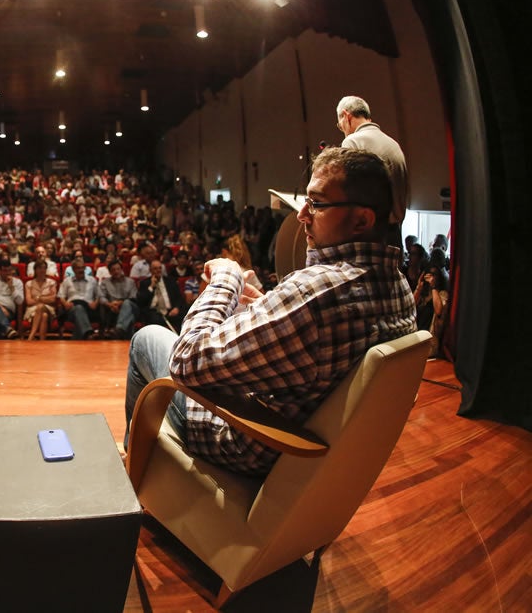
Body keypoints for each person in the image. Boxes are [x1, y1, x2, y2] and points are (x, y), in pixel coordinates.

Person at [123, 147, 416, 476]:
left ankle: (135, 468)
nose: (302, 214)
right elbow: (315, 346)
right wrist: (267, 307)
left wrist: (226, 278)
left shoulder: (315, 295)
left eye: (317, 203)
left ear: (362, 219)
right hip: (306, 449)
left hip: (247, 440)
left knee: (146, 339)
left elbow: (186, 361)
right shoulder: (399, 287)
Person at [336, 95, 408, 247]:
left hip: (371, 236)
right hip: (395, 235)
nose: (342, 130)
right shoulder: (393, 144)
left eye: (340, 126)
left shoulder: (353, 141)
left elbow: (348, 193)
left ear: (346, 116)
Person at [135, 259, 185, 332]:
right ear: (150, 270)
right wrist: (151, 286)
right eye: (155, 268)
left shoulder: (170, 281)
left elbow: (179, 297)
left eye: (160, 268)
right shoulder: (144, 283)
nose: (158, 270)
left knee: (183, 315)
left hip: (170, 310)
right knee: (154, 318)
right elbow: (141, 301)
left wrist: (176, 308)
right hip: (153, 311)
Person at [57, 258, 100, 340]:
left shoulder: (92, 280)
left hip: (88, 309)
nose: (81, 270)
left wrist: (96, 303)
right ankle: (88, 333)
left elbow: (99, 295)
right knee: (78, 308)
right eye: (78, 268)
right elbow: (61, 296)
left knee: (80, 314)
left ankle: (79, 338)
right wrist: (65, 303)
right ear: (73, 269)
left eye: (82, 267)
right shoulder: (67, 281)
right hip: (72, 309)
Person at [414, 264, 449, 358]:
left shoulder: (442, 293)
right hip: (416, 336)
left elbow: (438, 311)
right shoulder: (423, 293)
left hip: (429, 340)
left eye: (435, 274)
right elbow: (411, 306)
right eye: (430, 273)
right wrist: (419, 286)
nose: (432, 277)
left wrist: (433, 287)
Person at [99, 259, 139, 340]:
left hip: (130, 306)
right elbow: (101, 297)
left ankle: (118, 329)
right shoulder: (105, 282)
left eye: (118, 269)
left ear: (122, 270)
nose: (116, 271)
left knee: (127, 303)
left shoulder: (130, 282)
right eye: (113, 270)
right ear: (109, 272)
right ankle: (122, 333)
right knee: (130, 317)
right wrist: (110, 305)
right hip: (112, 307)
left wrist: (121, 303)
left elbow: (133, 297)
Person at [24, 261, 58, 341]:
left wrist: (38, 298)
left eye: (44, 268)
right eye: (40, 268)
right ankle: (42, 342)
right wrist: (46, 298)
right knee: (44, 315)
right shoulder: (29, 284)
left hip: (49, 309)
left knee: (41, 307)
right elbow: (29, 301)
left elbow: (53, 299)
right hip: (32, 310)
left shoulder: (52, 283)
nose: (42, 270)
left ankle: (31, 336)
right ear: (35, 270)